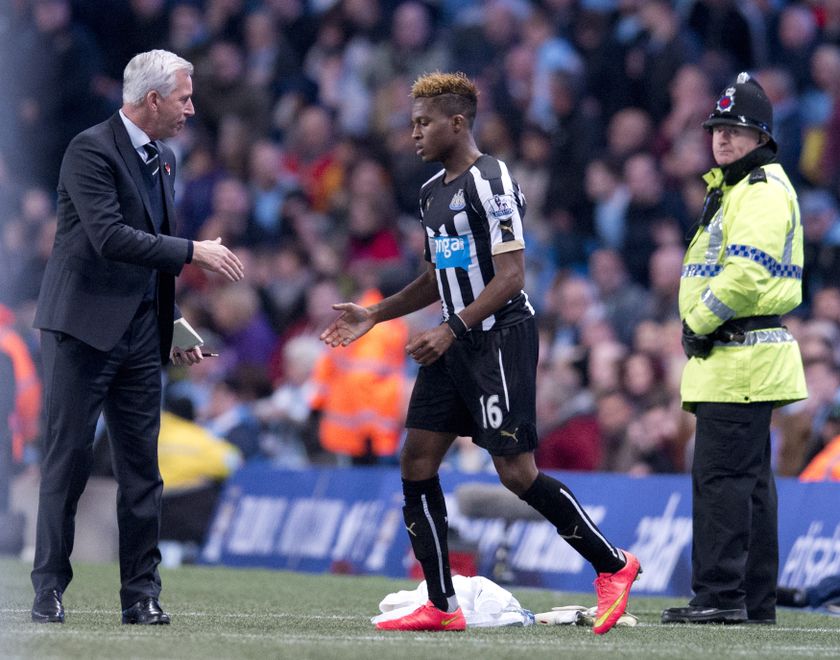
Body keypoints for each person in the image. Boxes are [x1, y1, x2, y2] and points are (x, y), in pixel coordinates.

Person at [320, 71, 640, 634]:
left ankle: (613, 566)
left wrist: (451, 329)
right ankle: (442, 604)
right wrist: (376, 314)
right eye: (412, 122)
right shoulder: (429, 192)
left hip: (498, 337)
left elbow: (512, 276)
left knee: (516, 473)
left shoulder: (491, 180)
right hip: (456, 337)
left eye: (423, 123)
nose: (413, 133)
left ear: (457, 122)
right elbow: (434, 275)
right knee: (416, 462)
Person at [30, 49, 244, 626]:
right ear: (153, 100)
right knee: (68, 461)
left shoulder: (165, 159)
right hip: (80, 332)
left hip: (138, 339)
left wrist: (171, 323)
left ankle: (141, 596)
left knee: (142, 470)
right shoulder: (89, 149)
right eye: (184, 97)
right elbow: (110, 238)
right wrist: (193, 251)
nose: (191, 108)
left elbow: (149, 258)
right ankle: (48, 587)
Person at [662, 73, 807, 626]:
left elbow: (746, 273)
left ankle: (721, 596)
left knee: (723, 481)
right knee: (747, 487)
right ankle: (751, 600)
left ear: (762, 136)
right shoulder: (738, 189)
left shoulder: (762, 191)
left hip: (739, 352)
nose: (723, 138)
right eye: (718, 128)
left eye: (737, 129)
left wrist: (698, 320)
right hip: (737, 358)